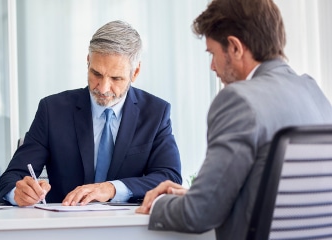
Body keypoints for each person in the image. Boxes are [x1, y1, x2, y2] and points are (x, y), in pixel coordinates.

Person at [135, 0, 332, 239]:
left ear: (235, 48)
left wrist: (157, 204)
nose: (212, 66)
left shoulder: (239, 100)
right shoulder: (313, 92)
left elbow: (199, 214)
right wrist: (196, 195)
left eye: (213, 54)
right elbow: (276, 200)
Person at [0, 20, 182, 207]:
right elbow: (9, 179)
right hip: (65, 229)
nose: (103, 88)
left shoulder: (155, 113)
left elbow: (169, 177)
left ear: (136, 72)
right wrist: (18, 193)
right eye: (97, 74)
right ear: (88, 62)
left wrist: (111, 189)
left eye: (116, 78)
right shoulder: (53, 110)